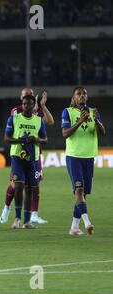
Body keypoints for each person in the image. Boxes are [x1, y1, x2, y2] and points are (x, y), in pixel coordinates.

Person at [0, 87, 54, 225]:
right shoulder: (15, 112)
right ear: (21, 99)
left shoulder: (37, 114)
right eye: (25, 97)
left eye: (30, 96)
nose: (28, 99)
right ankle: (7, 208)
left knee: (33, 185)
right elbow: (8, 136)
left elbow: (50, 122)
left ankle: (32, 215)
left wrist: (42, 105)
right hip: (18, 154)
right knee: (15, 184)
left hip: (35, 154)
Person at [62, 87, 105, 236]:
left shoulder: (93, 111)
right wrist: (80, 121)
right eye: (79, 94)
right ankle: (87, 222)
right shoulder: (67, 112)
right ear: (73, 97)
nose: (82, 96)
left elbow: (102, 132)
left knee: (83, 194)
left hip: (89, 157)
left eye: (84, 93)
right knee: (79, 190)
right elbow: (65, 133)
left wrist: (96, 119)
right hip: (74, 156)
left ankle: (74, 227)